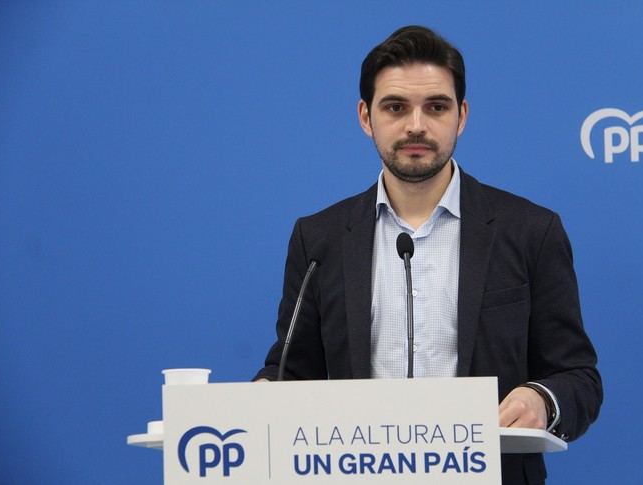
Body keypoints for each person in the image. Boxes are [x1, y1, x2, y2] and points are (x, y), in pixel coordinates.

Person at [255, 25, 602, 485]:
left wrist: (541, 399)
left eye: (436, 107)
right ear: (365, 117)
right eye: (395, 107)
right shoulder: (318, 239)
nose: (416, 125)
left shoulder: (530, 231)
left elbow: (578, 376)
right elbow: (292, 372)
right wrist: (254, 401)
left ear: (462, 116)